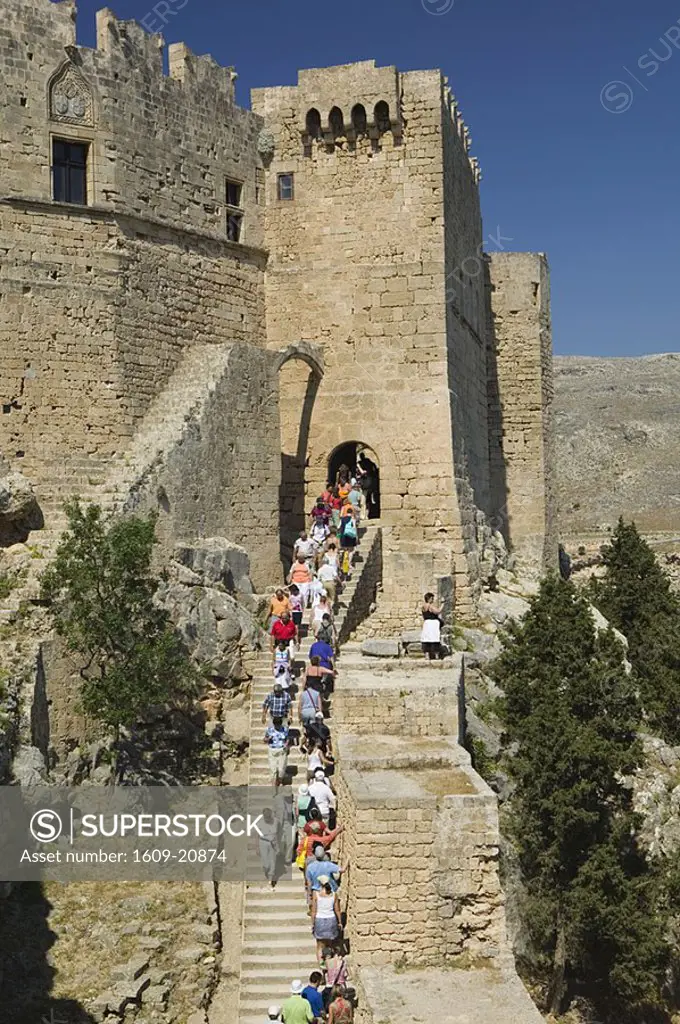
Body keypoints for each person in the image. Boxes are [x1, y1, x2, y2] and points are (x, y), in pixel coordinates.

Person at [311, 882, 341, 964]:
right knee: (330, 944)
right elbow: (337, 910)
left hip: (320, 920)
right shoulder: (334, 895)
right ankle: (328, 961)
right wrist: (340, 922)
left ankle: (321, 964)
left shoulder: (316, 894)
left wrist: (313, 923)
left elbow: (313, 911)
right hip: (331, 920)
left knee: (320, 945)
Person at [264, 716, 290, 789]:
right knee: (273, 769)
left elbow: (287, 739)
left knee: (281, 768)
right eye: (276, 725)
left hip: (282, 750)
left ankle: (280, 781)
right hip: (272, 750)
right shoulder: (269, 730)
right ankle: (273, 785)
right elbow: (264, 740)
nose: (277, 726)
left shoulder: (285, 730)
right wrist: (268, 739)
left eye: (279, 724)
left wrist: (286, 744)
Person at [257, 806, 280, 887]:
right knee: (266, 864)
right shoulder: (259, 822)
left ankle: (270, 880)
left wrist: (277, 847)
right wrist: (257, 847)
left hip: (273, 843)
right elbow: (258, 835)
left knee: (272, 862)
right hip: (263, 843)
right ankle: (266, 872)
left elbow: (277, 834)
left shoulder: (276, 821)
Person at [420, 592, 443, 661]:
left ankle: (427, 655)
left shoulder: (423, 607)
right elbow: (438, 611)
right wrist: (443, 604)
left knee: (426, 639)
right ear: (429, 599)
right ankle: (436, 655)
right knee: (434, 638)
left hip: (426, 623)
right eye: (432, 598)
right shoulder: (430, 606)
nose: (433, 600)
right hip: (432, 624)